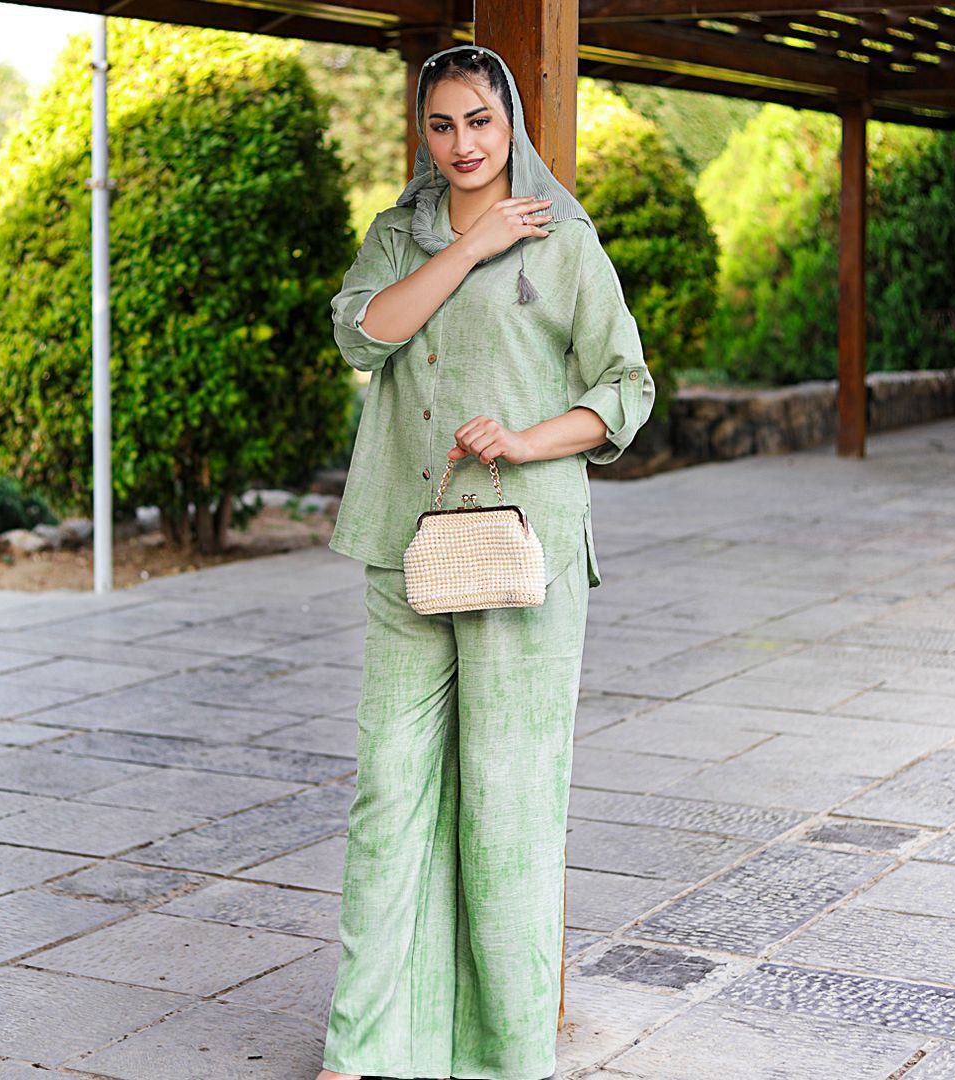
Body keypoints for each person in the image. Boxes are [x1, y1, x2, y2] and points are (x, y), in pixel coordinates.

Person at [316, 43, 655, 1080]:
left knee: (508, 799)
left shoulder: (565, 241)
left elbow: (626, 388)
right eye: (442, 124)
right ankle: (362, 1047)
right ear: (423, 133)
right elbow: (363, 336)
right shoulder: (398, 235)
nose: (463, 143)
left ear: (511, 123)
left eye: (481, 120)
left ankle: (508, 1056)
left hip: (523, 548)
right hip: (404, 534)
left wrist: (526, 438)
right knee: (389, 788)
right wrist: (470, 247)